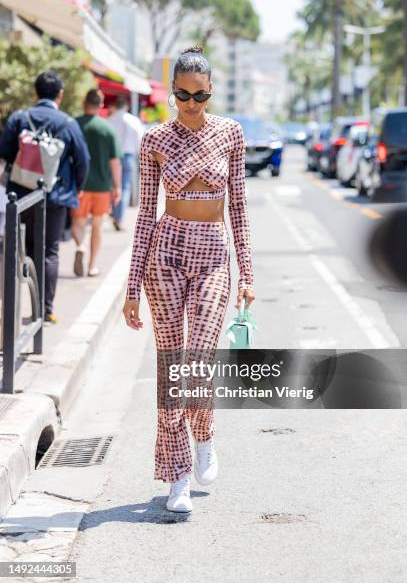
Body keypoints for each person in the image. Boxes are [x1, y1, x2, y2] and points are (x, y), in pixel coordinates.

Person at [122, 45, 255, 513]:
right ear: (172, 94)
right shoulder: (155, 139)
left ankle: (205, 435)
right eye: (182, 95)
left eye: (199, 95)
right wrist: (132, 284)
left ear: (211, 91)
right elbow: (143, 218)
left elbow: (237, 206)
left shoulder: (231, 134)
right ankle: (177, 478)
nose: (191, 104)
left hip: (214, 256)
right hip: (168, 252)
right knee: (171, 366)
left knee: (197, 360)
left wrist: (247, 273)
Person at [0, 71, 90, 324]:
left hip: (19, 196)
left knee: (16, 251)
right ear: (60, 94)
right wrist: (77, 188)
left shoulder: (19, 117)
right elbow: (83, 161)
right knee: (49, 252)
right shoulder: (68, 123)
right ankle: (44, 311)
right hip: (54, 197)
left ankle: (10, 315)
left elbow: (5, 151)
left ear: (35, 92)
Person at [71, 89, 122, 277]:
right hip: (101, 186)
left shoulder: (74, 124)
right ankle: (92, 266)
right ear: (101, 105)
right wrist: (117, 186)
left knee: (78, 223)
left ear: (85, 103)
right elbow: (114, 161)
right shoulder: (107, 128)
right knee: (97, 225)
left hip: (79, 186)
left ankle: (80, 245)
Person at [107, 96, 145, 231]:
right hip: (128, 156)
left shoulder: (110, 120)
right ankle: (119, 218)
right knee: (124, 188)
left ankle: (113, 211)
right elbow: (141, 141)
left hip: (112, 157)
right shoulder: (133, 120)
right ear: (126, 106)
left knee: (112, 186)